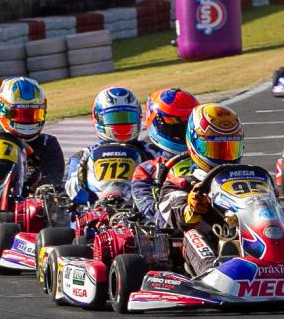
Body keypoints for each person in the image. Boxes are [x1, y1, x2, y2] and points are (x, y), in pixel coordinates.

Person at [154, 104, 256, 273]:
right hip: (201, 246)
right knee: (192, 233)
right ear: (195, 145)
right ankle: (213, 272)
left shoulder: (248, 179)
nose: (224, 157)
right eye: (215, 149)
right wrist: (191, 209)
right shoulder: (181, 184)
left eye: (230, 149)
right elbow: (176, 215)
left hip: (248, 238)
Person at [0, 77, 65, 191]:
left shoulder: (47, 144)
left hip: (28, 201)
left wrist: (36, 179)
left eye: (33, 115)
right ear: (3, 110)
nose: (27, 120)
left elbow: (53, 180)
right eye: (19, 114)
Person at [64, 86, 150, 206]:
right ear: (98, 119)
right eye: (115, 118)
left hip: (140, 213)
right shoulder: (84, 155)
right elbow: (72, 190)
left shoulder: (149, 151)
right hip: (96, 214)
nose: (123, 124)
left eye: (128, 117)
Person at [129, 88, 200, 223]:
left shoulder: (207, 161)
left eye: (188, 121)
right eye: (173, 122)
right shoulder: (148, 169)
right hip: (172, 229)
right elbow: (146, 205)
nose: (183, 128)